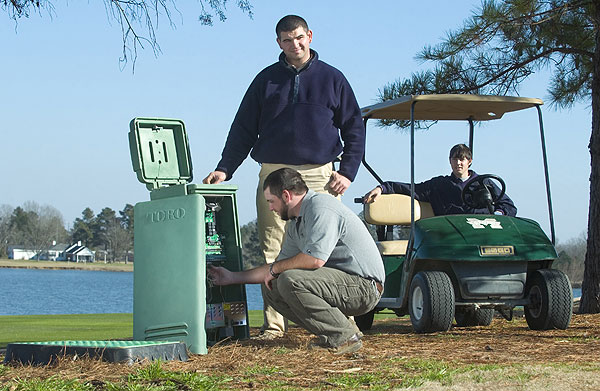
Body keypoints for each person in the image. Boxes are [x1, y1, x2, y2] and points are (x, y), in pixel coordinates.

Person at [203, 15, 365, 339]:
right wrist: (225, 167)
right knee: (274, 250)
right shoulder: (265, 80)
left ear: (310, 36)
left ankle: (340, 323)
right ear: (279, 43)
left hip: (320, 175)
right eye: (288, 40)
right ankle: (275, 326)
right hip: (274, 173)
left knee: (327, 249)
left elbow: (354, 128)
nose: (296, 44)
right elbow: (243, 129)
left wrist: (347, 172)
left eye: (300, 37)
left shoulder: (333, 79)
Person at [208, 168, 385, 354]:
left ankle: (343, 337)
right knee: (272, 285)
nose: (270, 208)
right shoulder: (296, 223)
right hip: (343, 285)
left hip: (365, 288)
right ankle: (339, 332)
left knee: (288, 279)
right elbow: (274, 269)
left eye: (271, 201)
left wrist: (276, 269)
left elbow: (315, 260)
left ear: (286, 195)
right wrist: (230, 277)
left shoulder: (321, 207)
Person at [363, 144, 517, 216]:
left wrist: (498, 214)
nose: (458, 163)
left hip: (482, 231)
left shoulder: (484, 184)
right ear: (450, 161)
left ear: (469, 161)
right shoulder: (439, 185)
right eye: (455, 159)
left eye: (462, 159)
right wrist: (383, 188)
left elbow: (508, 206)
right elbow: (412, 189)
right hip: (450, 234)